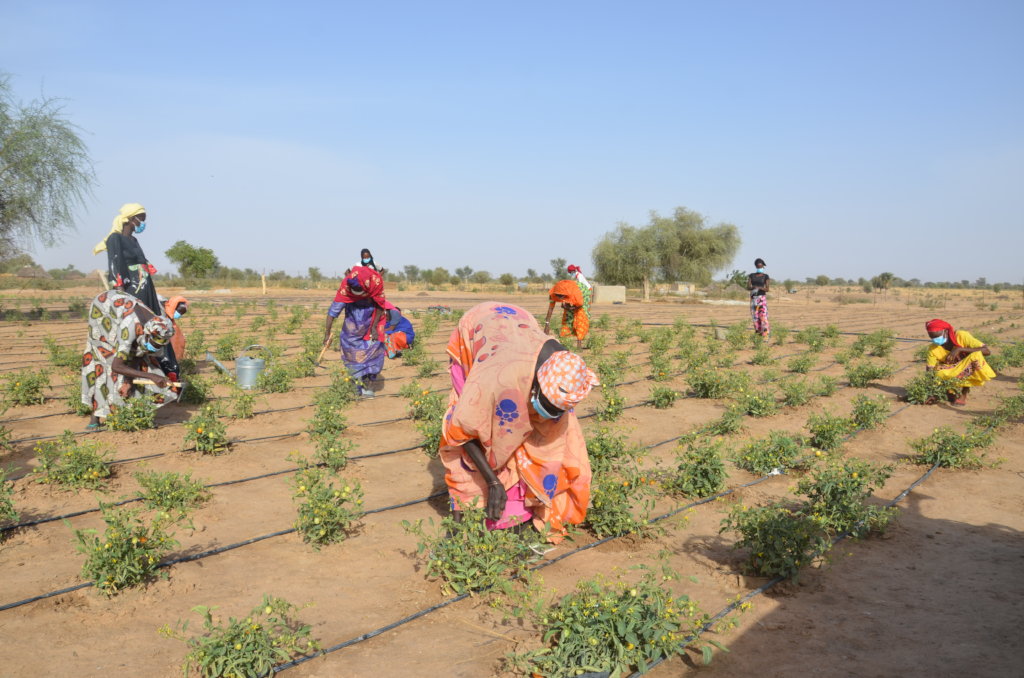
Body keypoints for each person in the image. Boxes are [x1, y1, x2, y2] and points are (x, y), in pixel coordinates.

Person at [440, 302, 598, 543]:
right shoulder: (498, 376)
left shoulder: (563, 372)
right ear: (533, 386)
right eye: (545, 407)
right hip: (479, 330)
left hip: (519, 322)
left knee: (531, 437)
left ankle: (517, 506)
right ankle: (464, 517)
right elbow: (462, 431)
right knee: (484, 425)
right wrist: (493, 481)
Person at [81, 290, 178, 429]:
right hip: (103, 311)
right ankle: (95, 418)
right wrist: (151, 376)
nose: (154, 347)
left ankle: (132, 410)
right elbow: (117, 366)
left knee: (140, 366)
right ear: (147, 333)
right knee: (105, 363)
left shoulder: (158, 325)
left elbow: (139, 354)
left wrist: (129, 381)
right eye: (153, 343)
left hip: (120, 310)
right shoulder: (130, 327)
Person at [324, 266, 395, 397]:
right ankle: (356, 385)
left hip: (372, 323)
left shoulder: (375, 283)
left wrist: (374, 327)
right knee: (353, 355)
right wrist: (327, 333)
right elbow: (333, 312)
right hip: (352, 328)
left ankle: (368, 385)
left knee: (373, 353)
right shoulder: (346, 287)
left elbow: (380, 305)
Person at [93, 203, 162, 314]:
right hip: (132, 291)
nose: (143, 223)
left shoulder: (134, 240)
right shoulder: (115, 239)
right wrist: (122, 295)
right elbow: (114, 266)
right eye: (141, 220)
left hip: (146, 289)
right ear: (131, 219)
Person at [924, 319, 996, 405]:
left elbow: (986, 351)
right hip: (951, 369)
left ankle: (963, 394)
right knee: (937, 372)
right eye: (932, 338)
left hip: (966, 365)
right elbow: (930, 370)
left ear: (945, 331)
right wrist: (931, 391)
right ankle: (950, 392)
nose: (935, 340)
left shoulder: (960, 335)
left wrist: (960, 349)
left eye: (937, 336)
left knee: (975, 357)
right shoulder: (933, 348)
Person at [544, 280, 589, 348]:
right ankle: (565, 342)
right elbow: (550, 308)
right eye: (558, 296)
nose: (560, 298)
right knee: (566, 318)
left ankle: (579, 345)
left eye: (562, 297)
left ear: (565, 294)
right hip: (569, 292)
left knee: (579, 318)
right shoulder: (552, 294)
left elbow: (579, 305)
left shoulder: (575, 293)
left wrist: (570, 308)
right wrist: (547, 324)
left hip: (581, 293)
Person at [160, 295, 189, 380]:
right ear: (173, 307)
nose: (179, 315)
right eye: (179, 312)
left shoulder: (170, 316)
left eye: (181, 314)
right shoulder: (161, 310)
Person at [747, 258, 770, 339]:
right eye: (758, 266)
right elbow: (748, 287)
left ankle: (765, 335)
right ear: (756, 266)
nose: (760, 267)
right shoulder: (751, 276)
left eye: (761, 266)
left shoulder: (766, 276)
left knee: (763, 316)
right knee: (755, 317)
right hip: (753, 299)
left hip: (762, 299)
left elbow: (767, 289)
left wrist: (760, 288)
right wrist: (753, 287)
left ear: (763, 266)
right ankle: (758, 334)